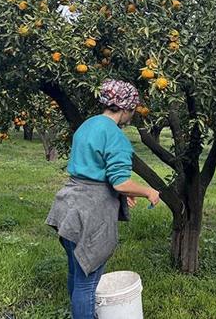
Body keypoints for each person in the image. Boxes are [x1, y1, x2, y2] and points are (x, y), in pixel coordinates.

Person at [46, 79, 161, 319]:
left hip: (68, 207)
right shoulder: (116, 137)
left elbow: (96, 169)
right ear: (127, 108)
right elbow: (119, 180)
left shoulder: (88, 125)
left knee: (76, 273)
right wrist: (148, 191)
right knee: (88, 283)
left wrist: (123, 194)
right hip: (91, 213)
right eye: (133, 110)